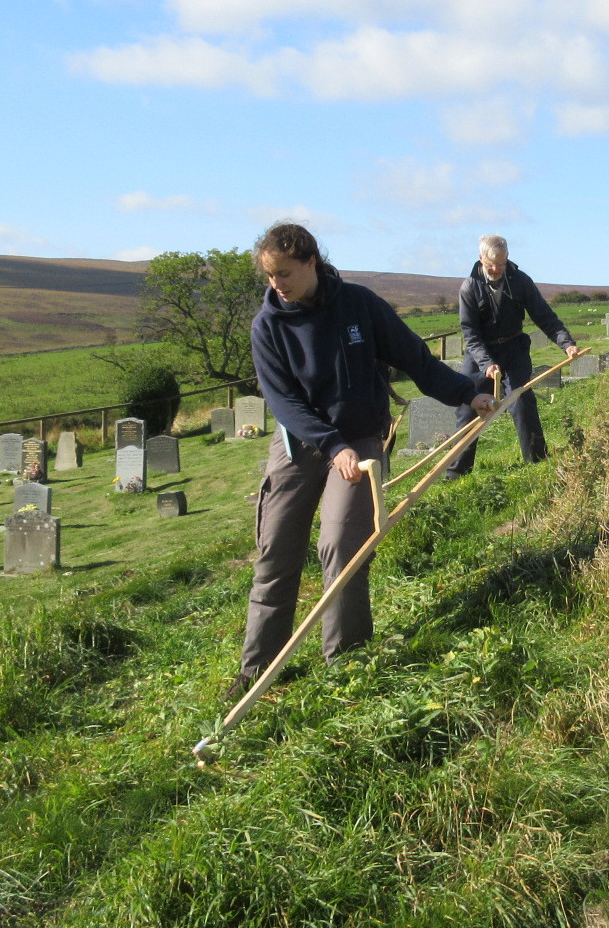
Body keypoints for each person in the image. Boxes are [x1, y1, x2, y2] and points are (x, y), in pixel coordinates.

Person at [238, 222, 493, 694]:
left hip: (361, 439)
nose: (277, 285)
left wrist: (467, 393)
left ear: (311, 262)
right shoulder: (267, 326)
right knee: (276, 549)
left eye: (285, 273)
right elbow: (284, 402)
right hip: (301, 441)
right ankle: (257, 670)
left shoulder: (359, 305)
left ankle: (347, 663)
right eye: (270, 277)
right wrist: (331, 445)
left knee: (342, 547)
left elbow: (415, 358)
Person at [447, 234, 582, 477]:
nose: (497, 269)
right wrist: (487, 363)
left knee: (521, 400)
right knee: (467, 406)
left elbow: (545, 317)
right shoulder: (469, 287)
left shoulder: (521, 282)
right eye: (491, 264)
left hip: (514, 350)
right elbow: (469, 332)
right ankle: (456, 473)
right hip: (480, 353)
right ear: (481, 259)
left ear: (507, 258)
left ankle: (537, 462)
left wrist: (567, 344)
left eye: (501, 263)